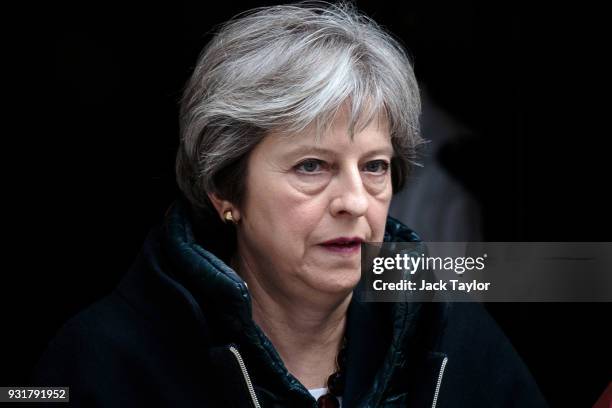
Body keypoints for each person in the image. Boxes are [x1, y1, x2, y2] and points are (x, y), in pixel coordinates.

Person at [33, 3, 548, 407]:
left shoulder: (452, 329)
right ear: (225, 190)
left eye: (374, 166)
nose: (353, 201)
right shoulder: (103, 359)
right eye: (311, 166)